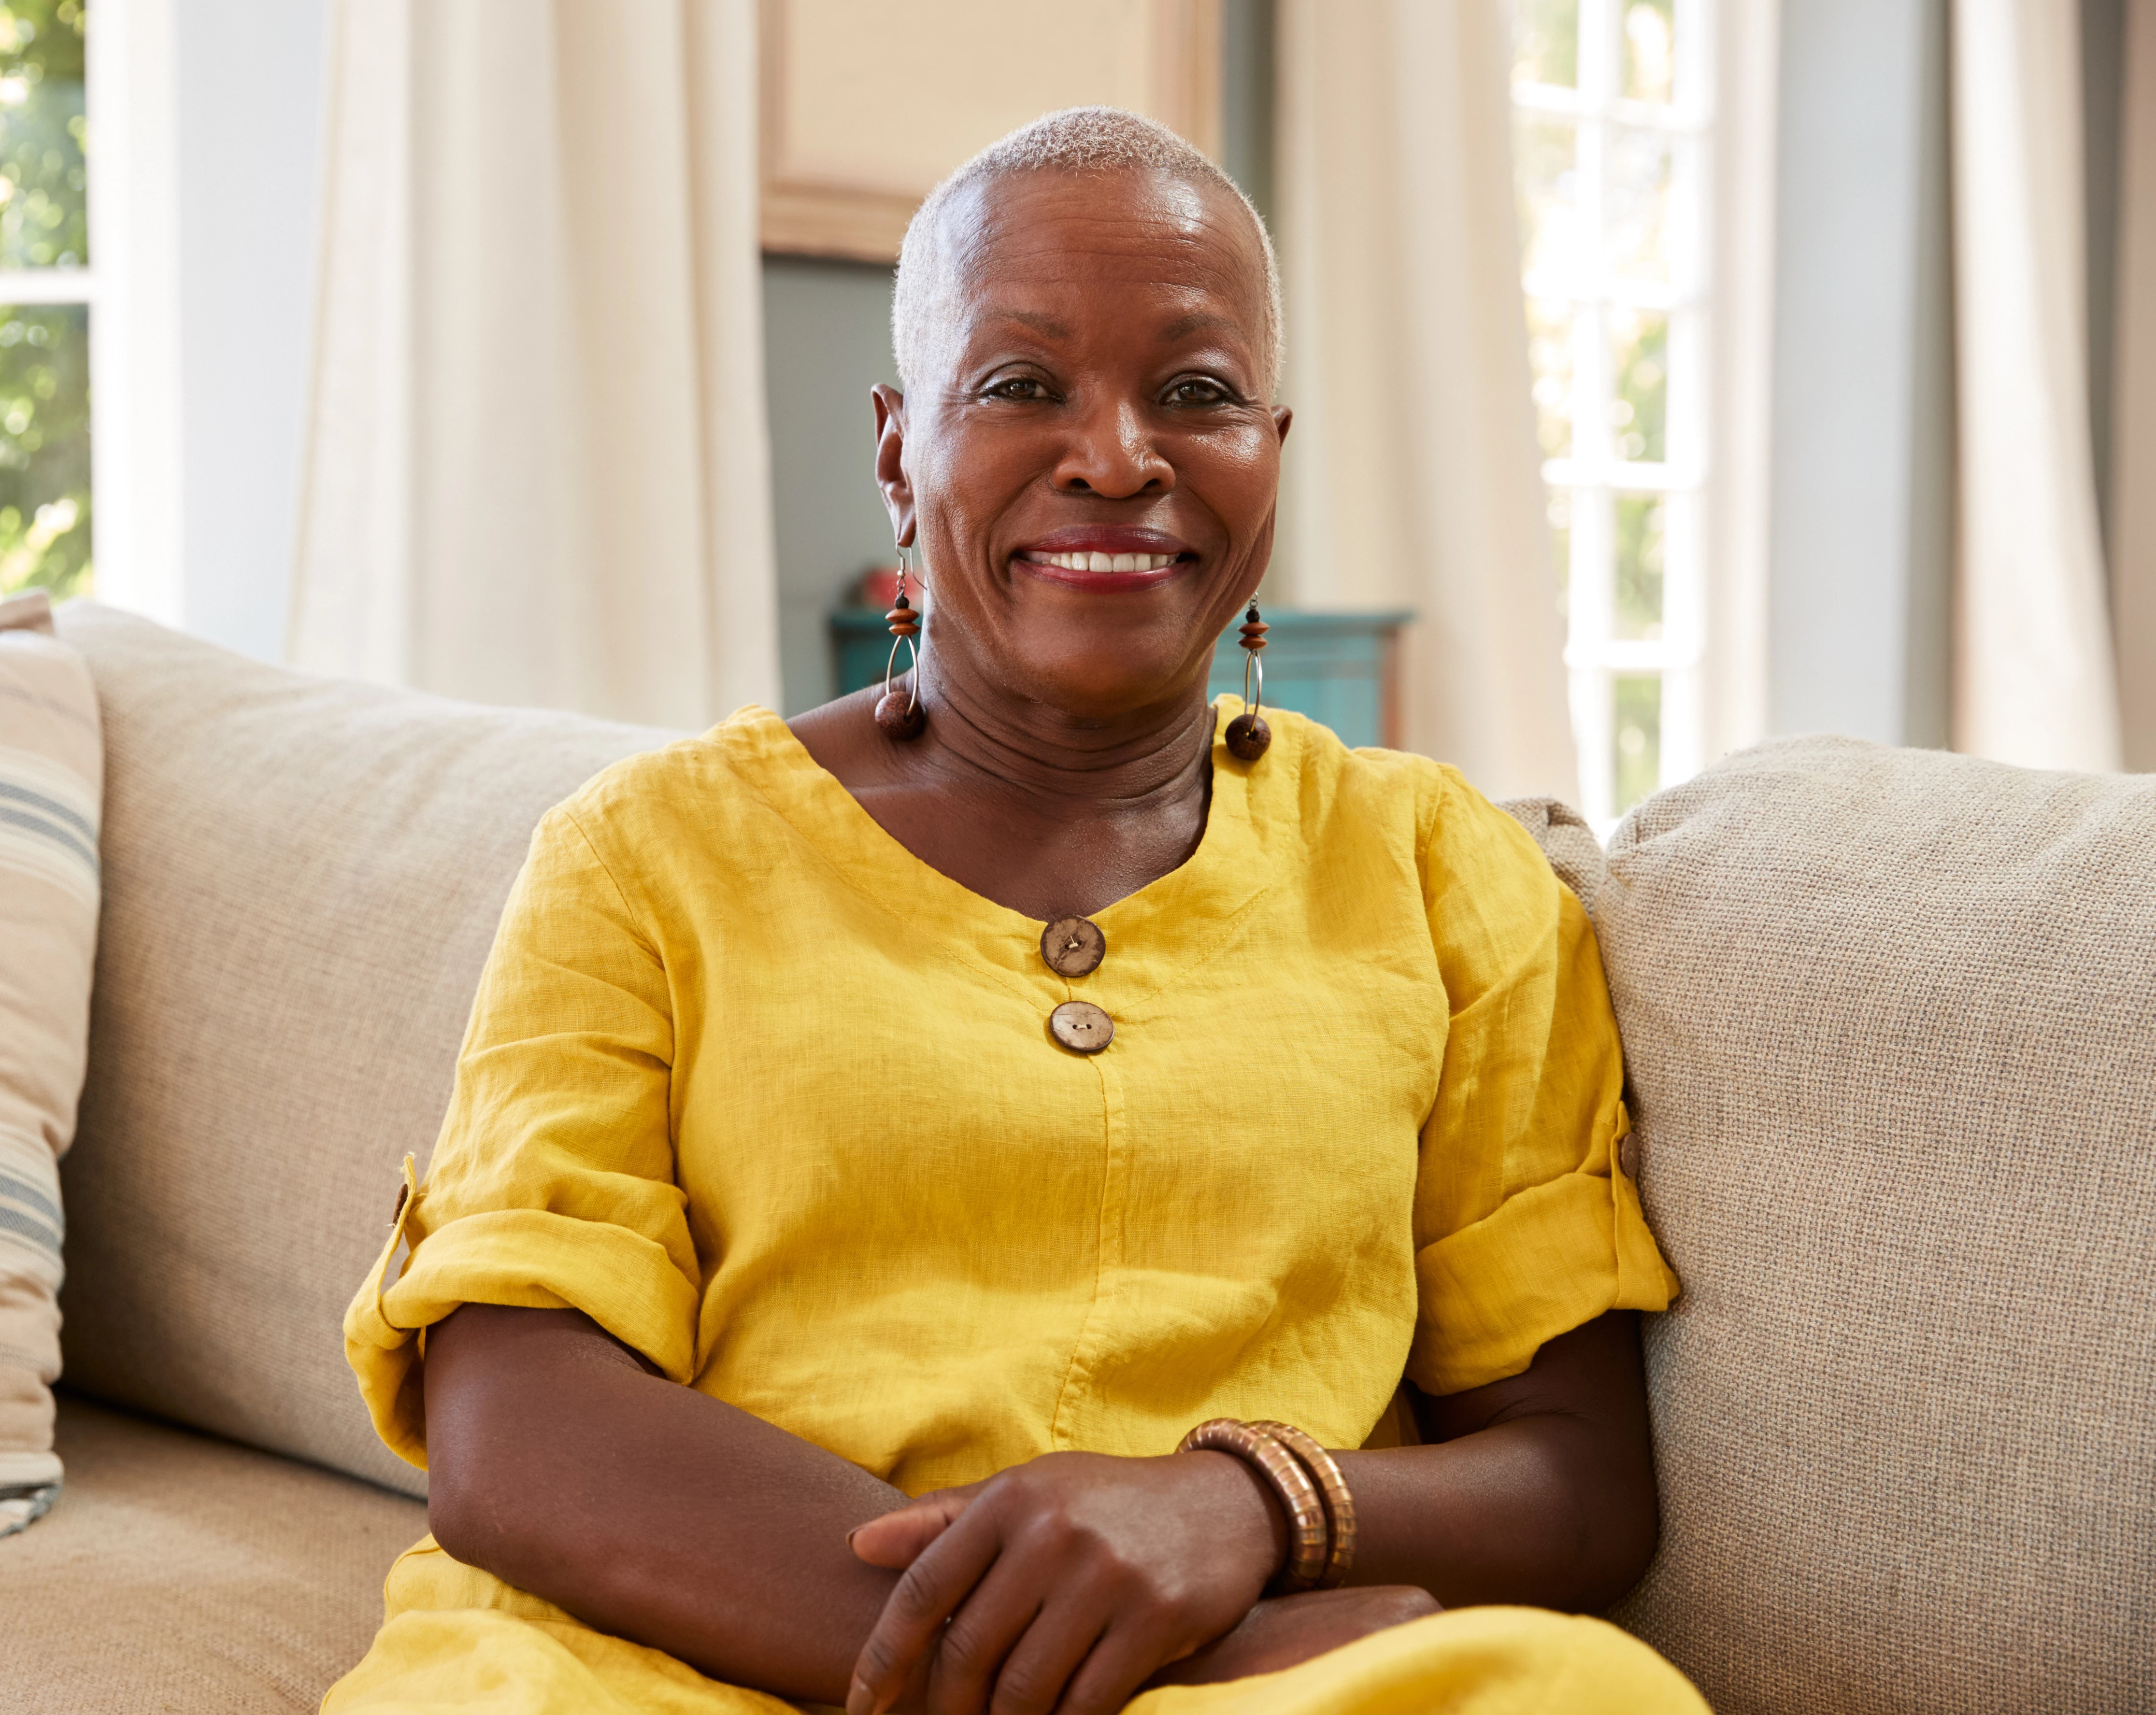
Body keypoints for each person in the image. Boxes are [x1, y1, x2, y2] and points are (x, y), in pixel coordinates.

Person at [324, 107, 1704, 1715]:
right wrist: (1099, 1672)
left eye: (1197, 393)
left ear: (1271, 451)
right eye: (1021, 385)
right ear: (898, 452)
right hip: (685, 1662)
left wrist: (1254, 1507)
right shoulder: (647, 854)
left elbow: (1579, 1478)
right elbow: (518, 1431)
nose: (1117, 457)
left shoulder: (1439, 871)